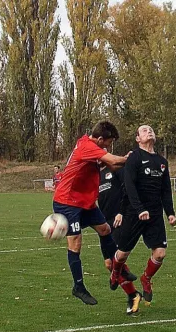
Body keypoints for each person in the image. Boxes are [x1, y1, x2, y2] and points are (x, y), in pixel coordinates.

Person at [53, 121, 133, 306]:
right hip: (68, 202)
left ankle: (117, 268)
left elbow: (113, 167)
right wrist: (130, 158)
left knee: (105, 229)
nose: (108, 147)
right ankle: (78, 286)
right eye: (108, 143)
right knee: (75, 243)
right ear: (99, 139)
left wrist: (131, 162)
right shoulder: (87, 146)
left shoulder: (92, 146)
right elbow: (113, 161)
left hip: (85, 202)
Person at [109, 125, 176, 306]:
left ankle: (146, 278)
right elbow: (129, 187)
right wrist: (139, 209)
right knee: (122, 255)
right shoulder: (134, 158)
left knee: (160, 253)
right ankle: (116, 272)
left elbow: (165, 190)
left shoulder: (162, 161)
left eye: (151, 130)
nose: (150, 131)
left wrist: (170, 213)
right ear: (138, 139)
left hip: (154, 213)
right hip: (134, 212)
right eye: (144, 130)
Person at [98, 164, 141, 315]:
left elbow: (127, 188)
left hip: (117, 219)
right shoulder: (94, 174)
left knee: (116, 257)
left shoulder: (115, 169)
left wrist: (121, 212)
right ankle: (132, 292)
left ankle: (132, 294)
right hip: (103, 222)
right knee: (109, 264)